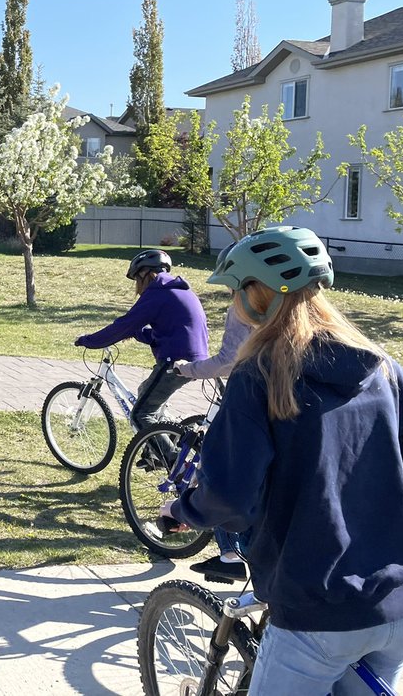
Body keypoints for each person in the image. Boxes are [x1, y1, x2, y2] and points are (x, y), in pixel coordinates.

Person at [161, 227, 403, 696]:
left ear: (258, 296)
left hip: (316, 614)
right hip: (400, 606)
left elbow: (228, 498)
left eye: (237, 291)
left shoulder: (257, 374)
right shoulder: (374, 362)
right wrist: (356, 469)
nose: (234, 306)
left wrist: (182, 510)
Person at [172, 240, 256, 582]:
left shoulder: (242, 310)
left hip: (247, 399)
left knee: (218, 466)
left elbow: (227, 361)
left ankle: (230, 554)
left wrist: (186, 369)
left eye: (233, 287)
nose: (231, 295)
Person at [73, 249, 209, 436]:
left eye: (137, 279)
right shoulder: (180, 290)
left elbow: (123, 325)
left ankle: (171, 458)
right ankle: (154, 451)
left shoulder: (157, 293)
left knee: (140, 415)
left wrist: (88, 340)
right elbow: (165, 332)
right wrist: (136, 333)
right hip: (197, 359)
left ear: (145, 274)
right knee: (145, 391)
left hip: (175, 361)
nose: (137, 286)